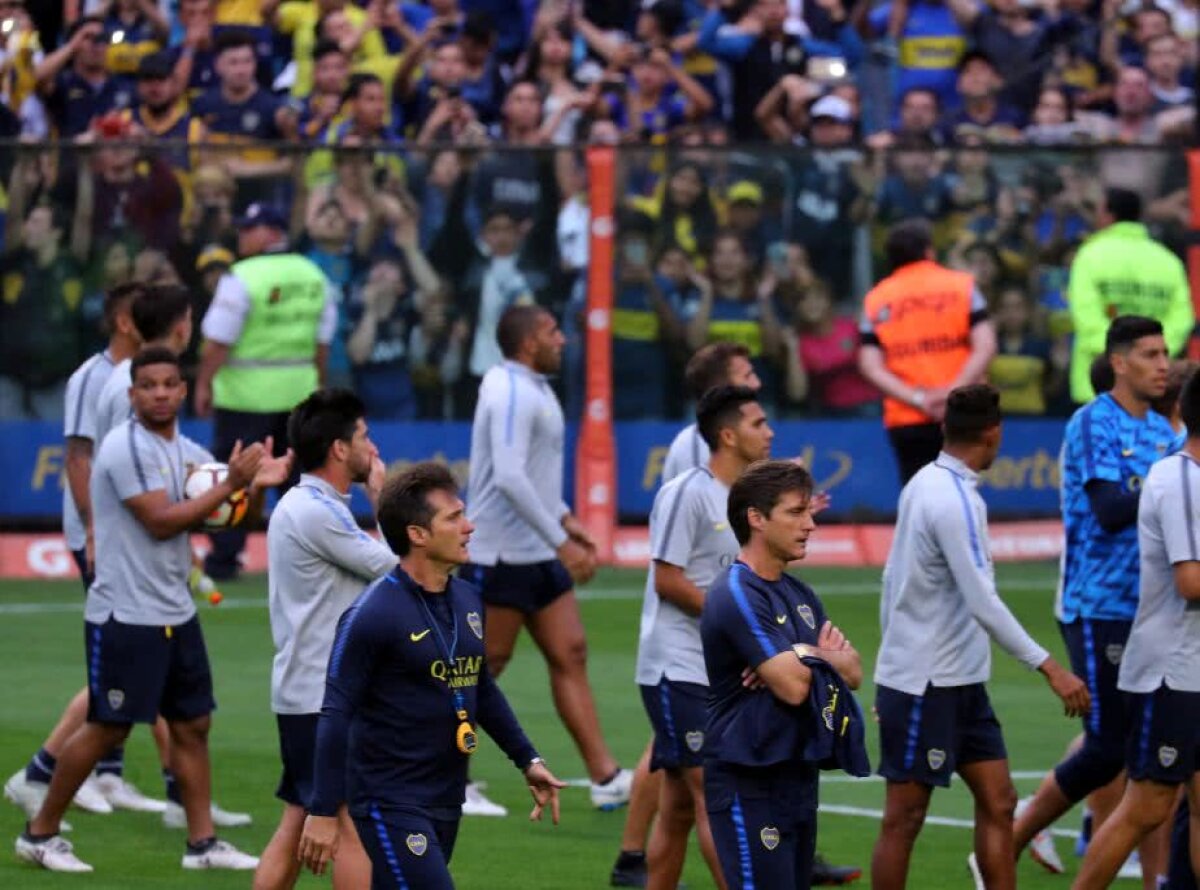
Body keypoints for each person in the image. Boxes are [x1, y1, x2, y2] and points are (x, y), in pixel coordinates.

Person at [15, 346, 285, 873]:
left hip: (174, 609)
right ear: (133, 394)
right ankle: (40, 833)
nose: (160, 392)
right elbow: (161, 521)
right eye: (149, 385)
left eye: (169, 383)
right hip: (126, 613)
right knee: (108, 726)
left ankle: (202, 845)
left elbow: (224, 522)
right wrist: (232, 483)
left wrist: (253, 488)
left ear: (183, 391)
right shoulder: (123, 448)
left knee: (193, 723)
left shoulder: (184, 449)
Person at [296, 462, 567, 888]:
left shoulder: (468, 599)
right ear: (418, 535)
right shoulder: (372, 614)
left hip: (445, 796)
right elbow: (335, 713)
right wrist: (323, 810)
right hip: (388, 800)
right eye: (454, 518)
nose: (469, 526)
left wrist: (527, 759)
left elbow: (480, 687)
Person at [868, 384, 1090, 890]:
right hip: (928, 682)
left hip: (960, 681)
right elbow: (982, 600)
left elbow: (890, 582)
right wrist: (1051, 668)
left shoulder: (926, 482)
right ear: (994, 434)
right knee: (904, 816)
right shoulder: (952, 500)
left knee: (1000, 800)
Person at [1014, 316, 1176, 884]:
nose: (1164, 365)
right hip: (1097, 606)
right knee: (1109, 748)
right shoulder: (1092, 423)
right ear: (1119, 363)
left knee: (1149, 758)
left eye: (1166, 353)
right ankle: (1015, 833)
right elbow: (1108, 507)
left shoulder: (1163, 432)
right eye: (1151, 354)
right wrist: (1165, 482)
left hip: (1152, 611)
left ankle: (1156, 876)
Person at [460, 304, 632, 813]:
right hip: (500, 553)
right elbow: (509, 478)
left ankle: (604, 776)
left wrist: (564, 519)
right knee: (480, 668)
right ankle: (451, 779)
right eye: (554, 331)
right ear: (530, 342)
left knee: (570, 652)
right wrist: (560, 540)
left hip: (535, 548)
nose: (564, 339)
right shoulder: (509, 390)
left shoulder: (530, 386)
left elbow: (529, 474)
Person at [3, 283, 143, 822]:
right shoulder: (94, 377)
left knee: (132, 661)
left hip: (126, 538)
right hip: (102, 537)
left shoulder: (140, 376)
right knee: (118, 664)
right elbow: (78, 457)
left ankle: (107, 775)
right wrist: (94, 532)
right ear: (124, 321)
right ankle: (49, 773)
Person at [700, 459, 869, 889]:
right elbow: (795, 688)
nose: (810, 524)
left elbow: (852, 671)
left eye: (809, 512)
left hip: (797, 776)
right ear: (756, 518)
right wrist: (815, 662)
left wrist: (802, 653)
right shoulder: (736, 591)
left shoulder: (800, 593)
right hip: (748, 781)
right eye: (796, 513)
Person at [254, 388, 398, 890]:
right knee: (353, 826)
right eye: (363, 436)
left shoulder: (314, 506)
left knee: (298, 821)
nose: (372, 448)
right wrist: (384, 501)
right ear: (339, 448)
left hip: (307, 692)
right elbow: (401, 571)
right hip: (323, 697)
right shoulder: (316, 512)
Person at [637, 385, 773, 890]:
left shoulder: (749, 501)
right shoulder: (686, 493)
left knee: (675, 809)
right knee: (714, 793)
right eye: (759, 423)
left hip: (716, 670)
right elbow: (668, 580)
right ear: (728, 435)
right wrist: (737, 625)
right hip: (676, 668)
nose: (770, 431)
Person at [1070, 370, 1200, 888]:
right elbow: (1190, 580)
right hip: (1172, 669)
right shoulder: (1180, 478)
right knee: (1147, 805)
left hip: (1194, 666)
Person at [195, 201, 338, 581]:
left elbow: (218, 341)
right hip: (299, 397)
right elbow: (322, 344)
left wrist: (203, 383)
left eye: (250, 229)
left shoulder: (241, 277)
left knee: (234, 481)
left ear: (272, 234)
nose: (241, 236)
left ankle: (225, 561)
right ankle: (309, 563)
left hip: (244, 399)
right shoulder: (314, 275)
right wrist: (317, 385)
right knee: (301, 484)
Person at [857, 218, 997, 484]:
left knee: (916, 496)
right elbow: (986, 345)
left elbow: (870, 365)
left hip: (907, 415)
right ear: (929, 251)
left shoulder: (876, 299)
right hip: (963, 413)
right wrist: (954, 394)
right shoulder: (962, 286)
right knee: (961, 494)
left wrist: (919, 399)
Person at [1066, 187, 1192, 404]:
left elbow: (1086, 317)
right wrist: (1149, 356)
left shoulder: (1090, 255)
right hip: (1152, 385)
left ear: (1107, 215)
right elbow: (1182, 318)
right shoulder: (1168, 261)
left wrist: (1122, 355)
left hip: (1097, 386)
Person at [661, 342, 761, 484]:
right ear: (721, 388)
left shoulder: (746, 437)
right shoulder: (696, 445)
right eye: (747, 376)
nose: (757, 383)